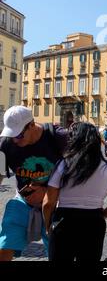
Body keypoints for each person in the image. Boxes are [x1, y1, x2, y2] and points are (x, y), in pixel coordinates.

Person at [42, 122, 107, 261]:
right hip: (94, 223)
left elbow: (48, 203)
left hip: (64, 222)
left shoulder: (64, 165)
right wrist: (100, 215)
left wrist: (48, 225)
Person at [0, 105, 68, 261]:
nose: (14, 140)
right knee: (5, 244)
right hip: (22, 201)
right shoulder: (5, 143)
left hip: (56, 204)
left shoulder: (59, 138)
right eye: (11, 135)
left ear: (32, 125)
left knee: (59, 251)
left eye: (18, 136)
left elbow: (78, 173)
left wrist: (48, 192)